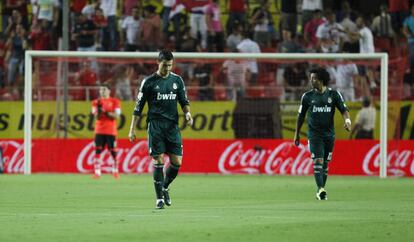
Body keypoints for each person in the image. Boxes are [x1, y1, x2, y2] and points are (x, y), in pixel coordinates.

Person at [128, 50, 193, 209]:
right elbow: (138, 108)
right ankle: (159, 200)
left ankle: (165, 186)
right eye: (165, 65)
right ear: (158, 63)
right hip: (156, 126)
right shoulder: (148, 82)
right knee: (158, 160)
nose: (167, 69)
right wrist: (132, 129)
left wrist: (188, 113)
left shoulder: (177, 80)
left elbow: (184, 101)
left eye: (170, 65)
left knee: (177, 162)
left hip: (172, 127)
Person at [294, 68, 351, 200]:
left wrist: (347, 121)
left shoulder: (334, 95)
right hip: (314, 135)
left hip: (329, 135)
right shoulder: (307, 96)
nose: (311, 80)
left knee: (325, 164)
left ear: (320, 80)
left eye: (313, 78)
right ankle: (320, 189)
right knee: (318, 161)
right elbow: (300, 116)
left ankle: (321, 191)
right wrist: (296, 134)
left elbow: (344, 110)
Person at [91, 84, 121, 179]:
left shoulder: (115, 101)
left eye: (104, 89)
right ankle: (97, 172)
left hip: (111, 131)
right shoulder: (96, 102)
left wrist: (105, 112)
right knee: (98, 150)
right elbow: (96, 117)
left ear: (109, 91)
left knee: (113, 151)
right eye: (101, 90)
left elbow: (117, 116)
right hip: (99, 130)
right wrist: (100, 111)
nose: (102, 91)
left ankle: (115, 170)